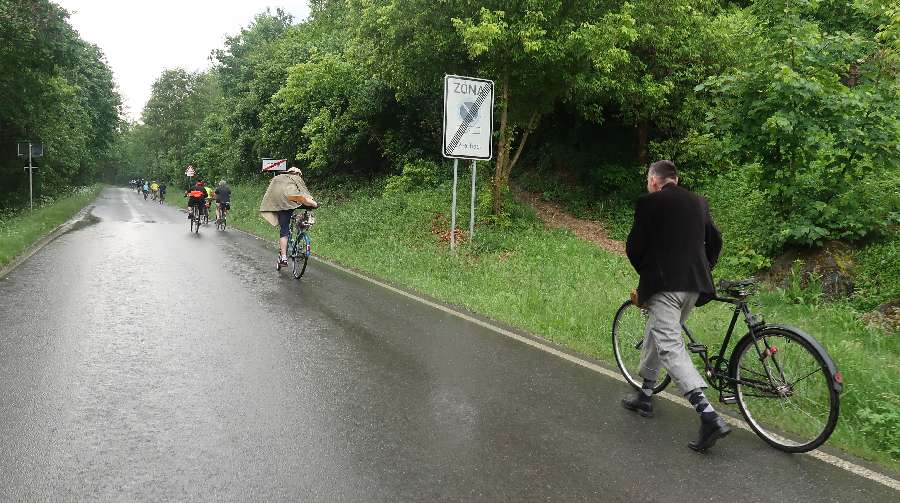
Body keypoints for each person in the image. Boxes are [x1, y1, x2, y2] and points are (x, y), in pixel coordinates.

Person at [622, 159, 727, 452]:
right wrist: (704, 268)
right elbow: (715, 241)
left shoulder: (649, 203)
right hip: (695, 285)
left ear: (654, 181)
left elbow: (634, 247)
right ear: (676, 180)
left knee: (669, 344)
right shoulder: (699, 202)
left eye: (648, 181)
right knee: (659, 332)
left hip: (665, 286)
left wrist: (648, 273)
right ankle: (645, 394)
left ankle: (708, 416)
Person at [259, 166, 318, 266]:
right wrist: (314, 204)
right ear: (298, 174)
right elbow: (301, 196)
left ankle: (284, 258)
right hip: (293, 199)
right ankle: (301, 229)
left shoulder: (277, 178)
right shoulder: (296, 178)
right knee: (306, 206)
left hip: (279, 204)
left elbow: (270, 194)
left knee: (284, 230)